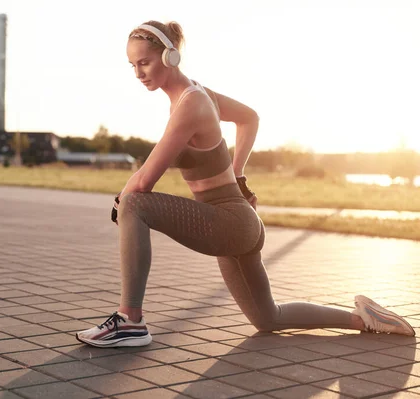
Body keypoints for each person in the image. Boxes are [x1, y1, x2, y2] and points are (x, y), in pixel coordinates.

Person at [76, 20, 415, 348]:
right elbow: (249, 118)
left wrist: (123, 202)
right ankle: (366, 319)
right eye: (132, 65)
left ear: (169, 56)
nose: (138, 73)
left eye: (145, 62)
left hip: (229, 222)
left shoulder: (190, 104)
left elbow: (147, 177)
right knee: (268, 318)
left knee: (135, 203)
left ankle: (130, 321)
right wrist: (237, 174)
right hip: (236, 222)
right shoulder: (198, 94)